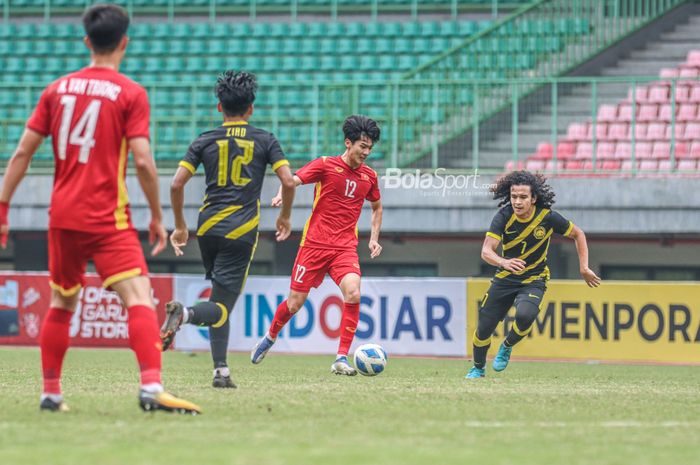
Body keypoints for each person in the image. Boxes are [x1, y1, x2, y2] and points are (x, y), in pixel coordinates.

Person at [0, 4, 200, 414]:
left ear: (87, 42)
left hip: (63, 216)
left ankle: (51, 393)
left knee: (62, 302)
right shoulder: (130, 93)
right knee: (138, 295)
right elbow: (143, 161)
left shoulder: (55, 90)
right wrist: (157, 216)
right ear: (124, 43)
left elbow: (22, 152)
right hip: (109, 217)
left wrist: (3, 207)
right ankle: (150, 387)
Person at [160, 70, 295, 388]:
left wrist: (180, 226)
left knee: (220, 301)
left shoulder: (205, 139)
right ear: (251, 108)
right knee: (220, 309)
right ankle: (184, 315)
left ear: (219, 107)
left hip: (207, 229)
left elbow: (177, 183)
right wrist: (285, 217)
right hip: (240, 232)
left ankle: (221, 372)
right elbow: (288, 181)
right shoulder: (265, 139)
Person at [250, 115, 383, 376]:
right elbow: (294, 180)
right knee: (294, 304)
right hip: (314, 245)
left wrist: (375, 238)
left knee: (354, 293)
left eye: (370, 148)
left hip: (344, 247)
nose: (366, 152)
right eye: (362, 147)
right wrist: (280, 194)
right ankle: (270, 337)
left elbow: (376, 207)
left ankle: (341, 357)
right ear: (348, 143)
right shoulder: (325, 165)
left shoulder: (370, 176)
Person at [466, 170, 601, 379]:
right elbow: (486, 251)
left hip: (534, 279)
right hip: (505, 278)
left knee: (525, 315)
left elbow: (578, 234)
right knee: (484, 327)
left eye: (523, 197)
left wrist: (584, 267)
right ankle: (478, 368)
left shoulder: (547, 217)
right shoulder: (503, 216)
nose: (517, 202)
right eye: (513, 197)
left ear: (533, 198)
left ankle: (507, 345)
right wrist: (504, 262)